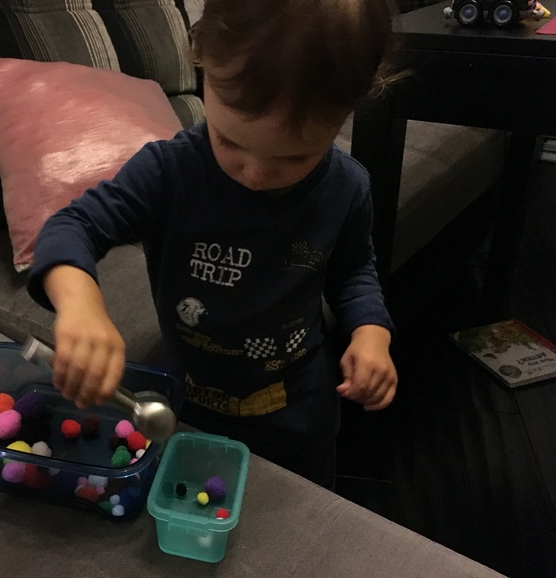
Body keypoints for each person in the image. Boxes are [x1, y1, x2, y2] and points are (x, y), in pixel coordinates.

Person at [27, 0, 400, 489]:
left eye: (295, 158)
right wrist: (81, 306)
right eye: (231, 142)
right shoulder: (167, 172)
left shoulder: (347, 188)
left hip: (297, 410)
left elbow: (354, 271)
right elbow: (73, 225)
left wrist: (371, 332)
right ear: (200, 59)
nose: (256, 174)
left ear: (352, 106)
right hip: (187, 403)